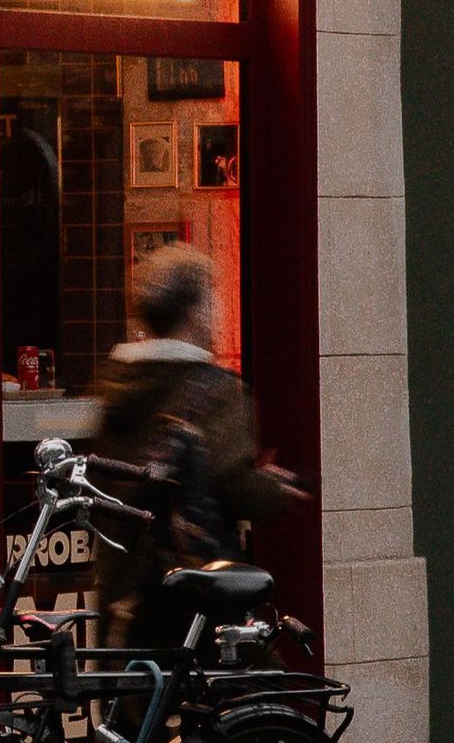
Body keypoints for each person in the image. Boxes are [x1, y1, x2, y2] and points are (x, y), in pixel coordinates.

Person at [87, 244, 308, 649]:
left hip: (125, 590)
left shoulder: (114, 386)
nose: (218, 310)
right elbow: (232, 485)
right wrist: (274, 488)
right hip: (195, 595)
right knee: (262, 681)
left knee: (141, 688)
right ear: (195, 311)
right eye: (213, 298)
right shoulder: (216, 390)